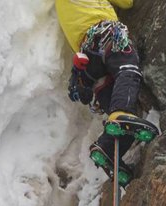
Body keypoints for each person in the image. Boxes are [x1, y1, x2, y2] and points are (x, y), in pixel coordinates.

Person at [55, 0, 155, 187]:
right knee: (128, 71)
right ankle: (120, 115)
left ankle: (107, 148)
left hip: (88, 62)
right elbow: (127, 3)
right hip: (105, 35)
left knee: (126, 115)